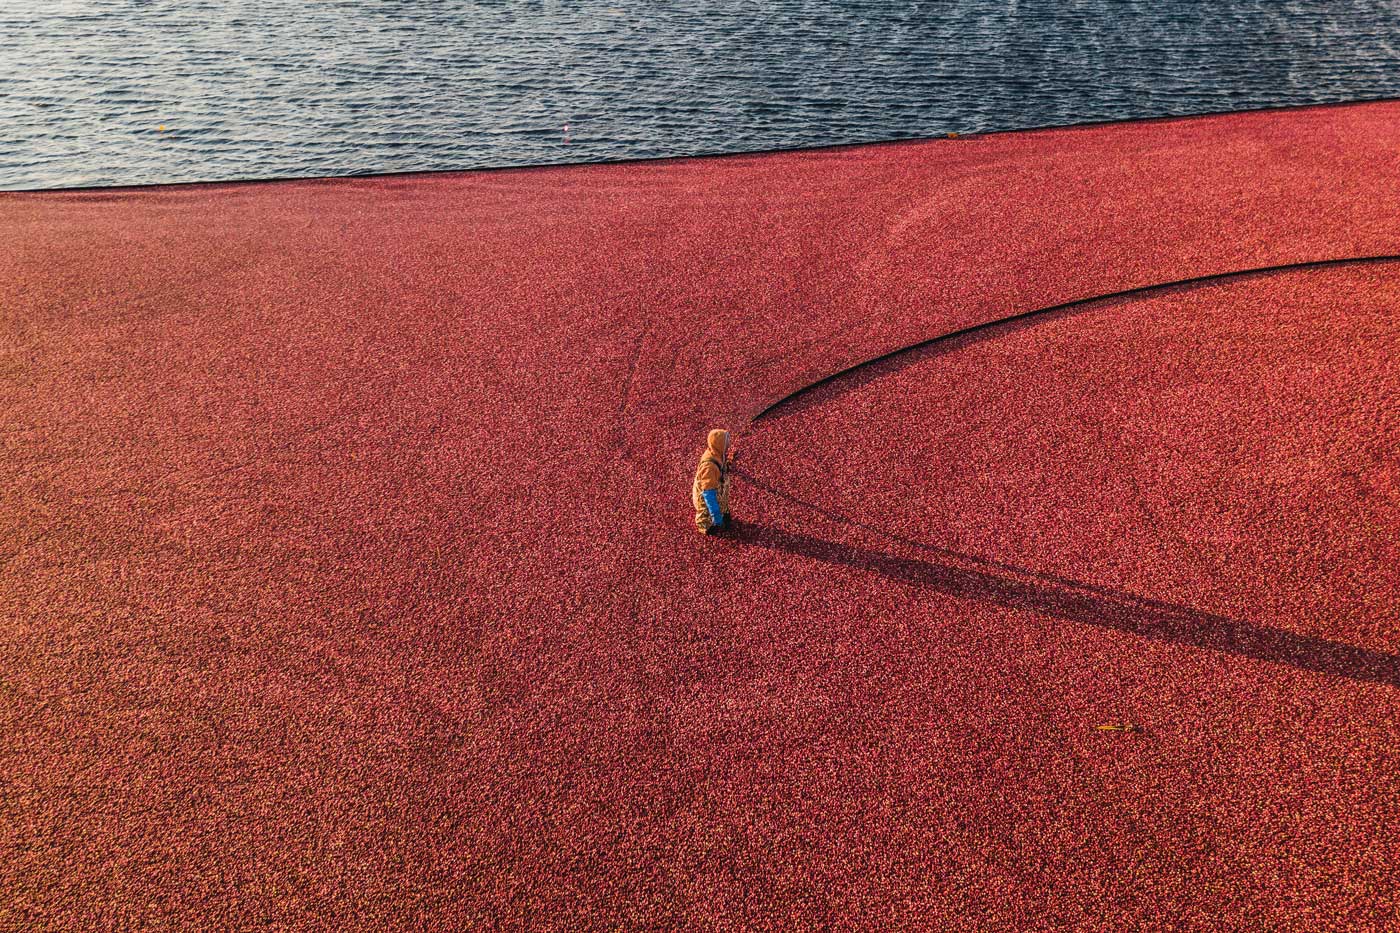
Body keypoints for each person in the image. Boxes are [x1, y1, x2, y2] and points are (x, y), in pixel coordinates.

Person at [692, 428, 732, 535]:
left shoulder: (717, 452)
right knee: (706, 509)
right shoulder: (709, 467)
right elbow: (708, 494)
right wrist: (716, 515)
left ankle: (723, 511)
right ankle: (705, 525)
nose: (729, 442)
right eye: (726, 440)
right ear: (719, 444)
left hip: (715, 485)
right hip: (705, 493)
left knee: (722, 493)